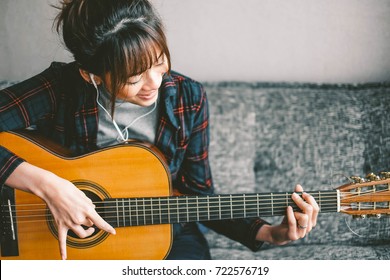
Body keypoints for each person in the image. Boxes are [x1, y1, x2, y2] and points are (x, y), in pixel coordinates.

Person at [0, 0, 319, 260]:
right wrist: (49, 187)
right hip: (55, 241)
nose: (155, 82)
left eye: (159, 61)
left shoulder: (186, 97)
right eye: (133, 78)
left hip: (165, 232)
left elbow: (198, 195)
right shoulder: (62, 87)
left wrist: (270, 233)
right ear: (91, 75)